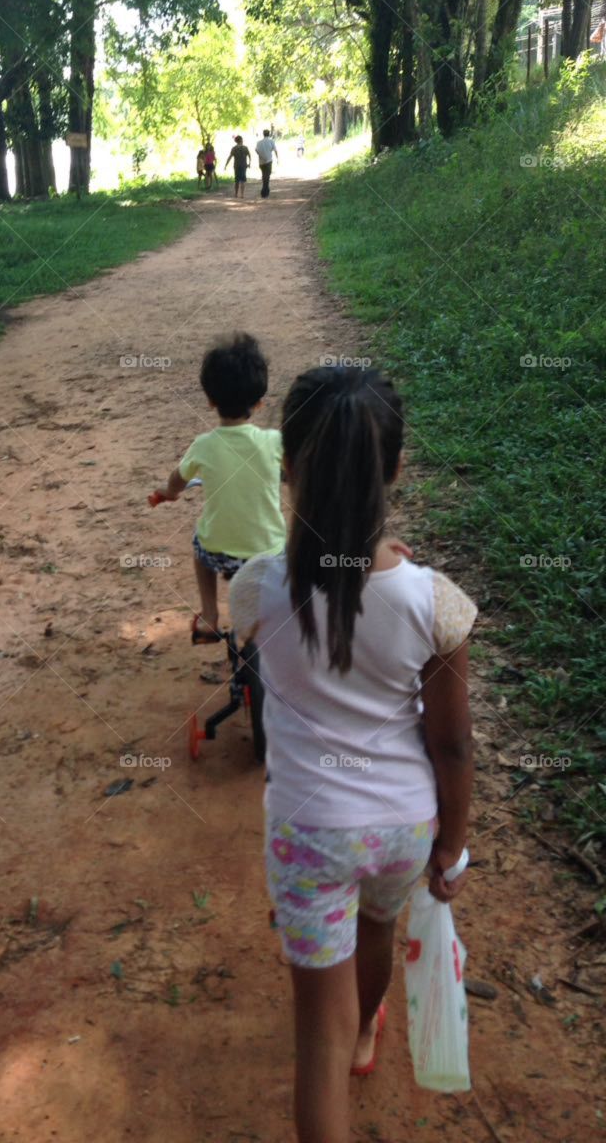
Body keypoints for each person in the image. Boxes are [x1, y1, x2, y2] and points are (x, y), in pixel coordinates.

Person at [228, 365, 475, 1143]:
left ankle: (344, 1037)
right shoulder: (434, 602)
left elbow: (307, 597)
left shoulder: (255, 590)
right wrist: (454, 846)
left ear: (288, 469)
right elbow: (452, 743)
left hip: (308, 832)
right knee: (377, 929)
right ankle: (368, 1028)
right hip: (403, 829)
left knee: (315, 1043)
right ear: (397, 469)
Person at [150, 333, 286, 641]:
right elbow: (293, 471)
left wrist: (169, 493)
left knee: (200, 544)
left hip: (219, 552)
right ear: (260, 401)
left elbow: (177, 480)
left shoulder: (203, 446)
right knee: (287, 552)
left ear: (210, 400)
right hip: (269, 553)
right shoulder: (274, 442)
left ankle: (209, 615)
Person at [255, 128, 278, 197]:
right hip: (268, 161)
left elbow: (256, 150)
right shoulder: (271, 141)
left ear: (263, 134)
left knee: (264, 175)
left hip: (261, 161)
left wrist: (260, 154)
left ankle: (265, 190)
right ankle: (265, 191)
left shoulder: (259, 142)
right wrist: (277, 158)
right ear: (269, 134)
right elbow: (275, 150)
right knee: (267, 176)